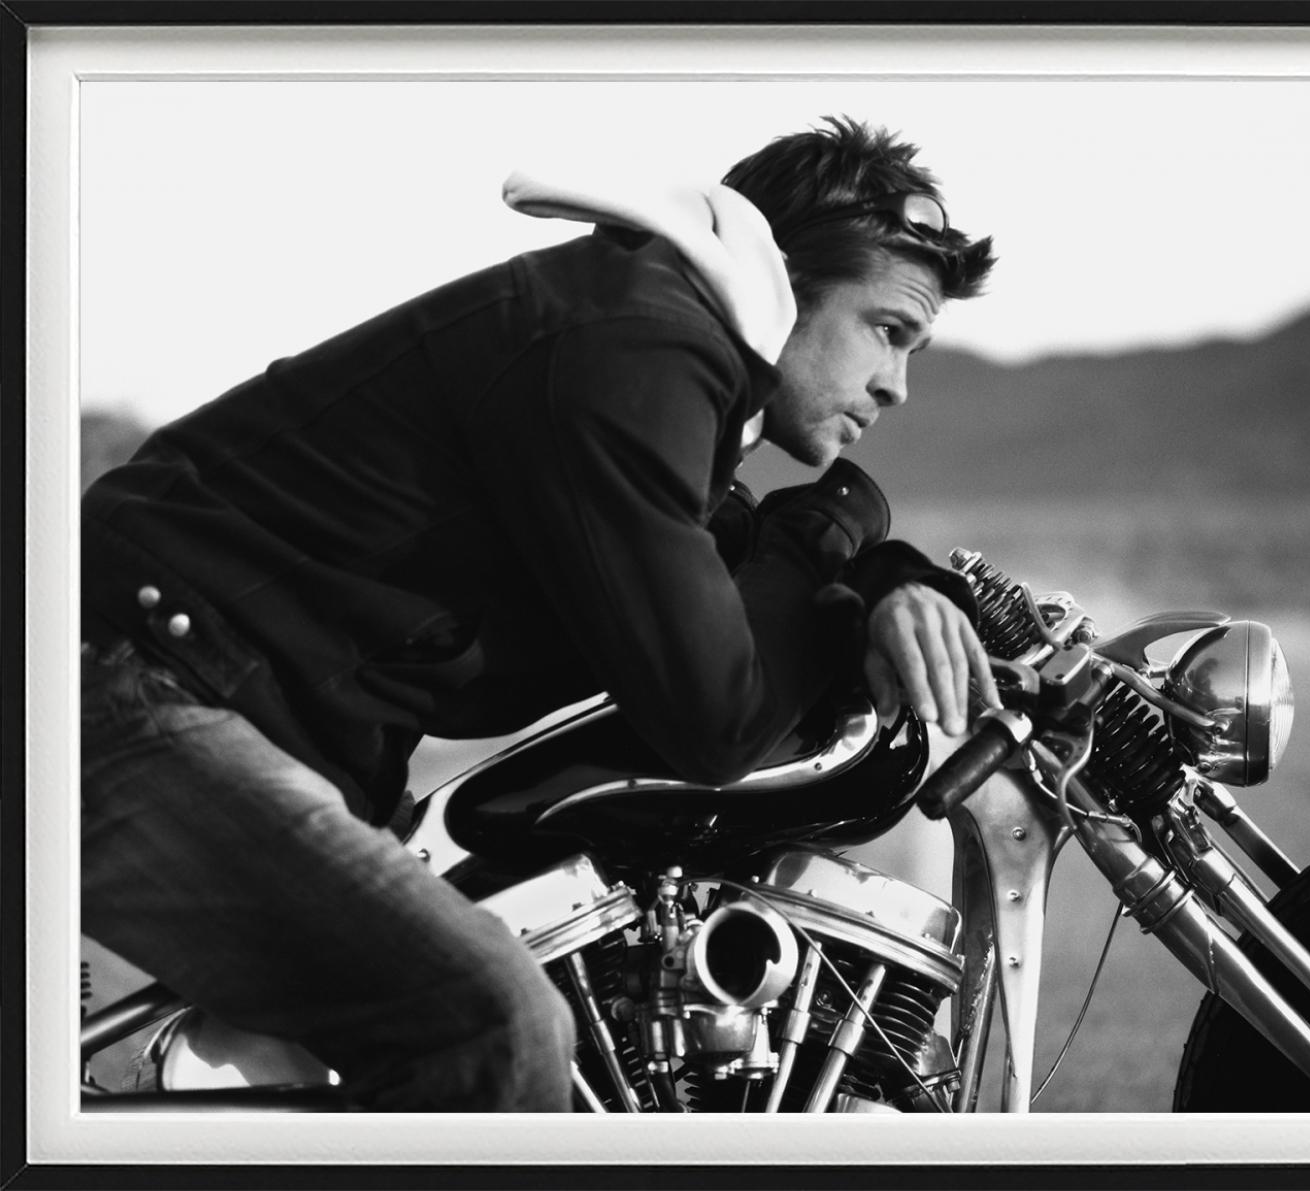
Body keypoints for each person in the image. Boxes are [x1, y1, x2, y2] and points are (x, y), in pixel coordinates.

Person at [79, 116, 998, 1112]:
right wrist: (832, 521)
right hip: (139, 692)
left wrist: (887, 577)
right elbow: (712, 715)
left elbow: (743, 565)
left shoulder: (644, 345)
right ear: (782, 278)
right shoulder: (633, 351)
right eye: (888, 331)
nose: (895, 386)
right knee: (490, 1022)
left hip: (205, 699)